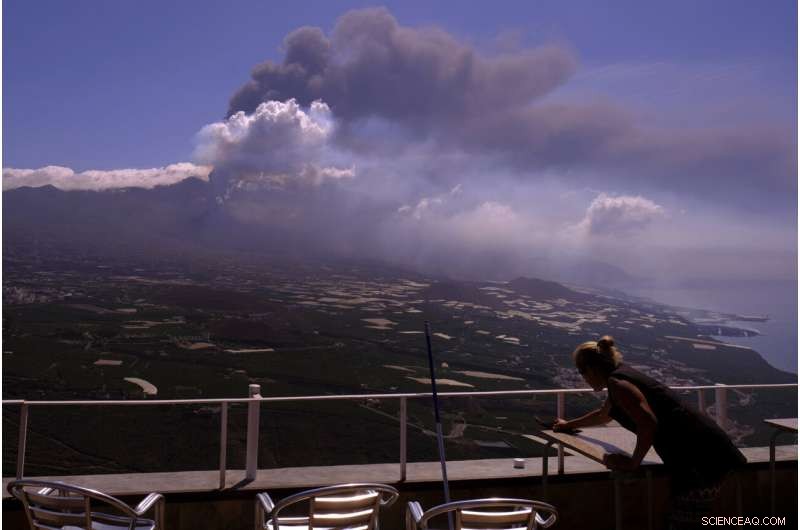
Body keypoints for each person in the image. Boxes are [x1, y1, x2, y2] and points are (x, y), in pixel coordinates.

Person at [554, 335, 746, 529]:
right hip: (703, 450)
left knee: (684, 521)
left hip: (700, 458)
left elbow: (647, 423)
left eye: (581, 371)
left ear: (592, 368)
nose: (582, 377)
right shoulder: (620, 378)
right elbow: (604, 415)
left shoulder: (618, 384)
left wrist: (632, 463)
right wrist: (568, 425)